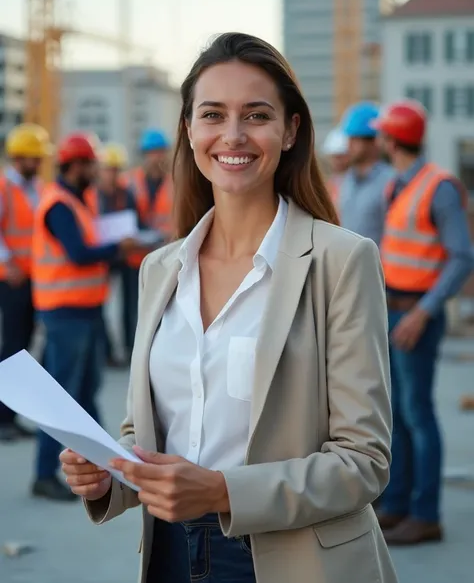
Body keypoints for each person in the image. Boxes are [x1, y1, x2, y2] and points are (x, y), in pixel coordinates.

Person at [61, 33, 397, 583]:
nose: (233, 135)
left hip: (291, 561)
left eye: (257, 115)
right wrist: (111, 473)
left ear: (290, 130)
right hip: (168, 552)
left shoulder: (342, 261)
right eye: (213, 114)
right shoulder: (160, 269)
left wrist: (221, 490)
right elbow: (144, 434)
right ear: (190, 130)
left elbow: (364, 463)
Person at [373, 100, 474, 545]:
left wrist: (422, 312)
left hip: (417, 313)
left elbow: (462, 257)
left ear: (391, 139)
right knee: (396, 412)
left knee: (418, 412)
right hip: (393, 308)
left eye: (381, 133)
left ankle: (425, 513)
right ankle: (396, 505)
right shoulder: (399, 184)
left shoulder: (440, 188)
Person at [31, 132, 139, 501]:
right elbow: (78, 254)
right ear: (76, 165)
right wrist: (118, 248)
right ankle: (45, 474)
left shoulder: (81, 198)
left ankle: (101, 469)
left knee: (87, 394)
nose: (96, 169)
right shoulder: (59, 204)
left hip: (86, 311)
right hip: (65, 314)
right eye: (91, 163)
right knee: (61, 399)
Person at [0, 123, 52, 442]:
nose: (39, 163)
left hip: (34, 277)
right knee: (12, 348)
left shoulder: (37, 187)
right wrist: (6, 262)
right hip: (13, 280)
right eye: (35, 158)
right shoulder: (5, 187)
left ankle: (11, 415)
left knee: (23, 348)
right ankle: (3, 417)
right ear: (20, 158)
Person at [86, 143, 142, 365]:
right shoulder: (91, 194)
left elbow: (134, 220)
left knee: (130, 306)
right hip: (102, 257)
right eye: (109, 169)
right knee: (99, 304)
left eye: (116, 169)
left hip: (126, 256)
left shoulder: (126, 193)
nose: (113, 174)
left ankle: (130, 350)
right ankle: (107, 351)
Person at [339, 101, 394, 245]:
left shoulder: (390, 182)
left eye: (355, 139)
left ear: (373, 141)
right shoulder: (346, 180)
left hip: (378, 265)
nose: (348, 145)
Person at [321, 127, 349, 209]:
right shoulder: (330, 183)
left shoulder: (357, 181)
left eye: (341, 156)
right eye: (334, 156)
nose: (337, 161)